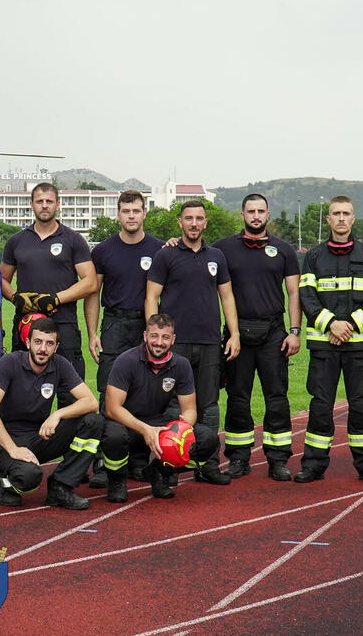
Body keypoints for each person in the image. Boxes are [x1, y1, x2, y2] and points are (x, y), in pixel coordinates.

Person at [146, 200, 238, 485]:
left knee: (209, 405)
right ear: (180, 223)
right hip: (176, 344)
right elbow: (151, 297)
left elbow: (227, 296)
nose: (194, 223)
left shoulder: (217, 256)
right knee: (173, 405)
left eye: (199, 218)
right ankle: (169, 465)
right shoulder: (166, 255)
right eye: (189, 218)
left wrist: (234, 334)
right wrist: (154, 336)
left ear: (205, 223)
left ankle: (207, 465)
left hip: (210, 342)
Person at [295, 196, 363, 485]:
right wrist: (331, 324)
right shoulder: (313, 257)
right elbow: (306, 297)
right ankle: (313, 465)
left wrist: (349, 326)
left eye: (346, 213)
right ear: (328, 220)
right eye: (336, 213)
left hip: (358, 346)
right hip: (324, 345)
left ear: (354, 218)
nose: (341, 218)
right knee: (321, 406)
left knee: (361, 406)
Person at [212, 193, 301, 482]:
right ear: (242, 215)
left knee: (277, 398)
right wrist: (173, 243)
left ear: (268, 214)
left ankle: (278, 459)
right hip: (237, 334)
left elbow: (294, 293)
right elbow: (195, 253)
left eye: (261, 211)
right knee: (238, 398)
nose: (256, 216)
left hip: (273, 333)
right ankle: (238, 457)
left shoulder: (284, 249)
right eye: (250, 211)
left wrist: (295, 331)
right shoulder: (223, 248)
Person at [0, 316, 104, 510]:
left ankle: (61, 486)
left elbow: (91, 402)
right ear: (28, 342)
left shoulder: (60, 364)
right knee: (29, 477)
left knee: (92, 422)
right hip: (5, 440)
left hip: (38, 436)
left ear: (56, 346)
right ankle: (7, 481)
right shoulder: (10, 362)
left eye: (49, 343)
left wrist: (57, 414)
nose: (43, 349)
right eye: (38, 342)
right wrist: (13, 449)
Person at [100, 314, 225, 501]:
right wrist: (145, 430)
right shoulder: (126, 360)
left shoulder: (181, 364)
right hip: (124, 421)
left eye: (165, 337)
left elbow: (190, 410)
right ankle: (117, 480)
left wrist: (181, 430)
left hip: (156, 421)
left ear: (173, 339)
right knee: (114, 436)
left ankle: (160, 473)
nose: (159, 342)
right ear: (144, 336)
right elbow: (112, 409)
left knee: (207, 439)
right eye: (154, 336)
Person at [85, 189, 164, 483]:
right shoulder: (103, 251)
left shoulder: (159, 249)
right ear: (118, 214)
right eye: (126, 211)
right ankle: (105, 463)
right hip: (114, 325)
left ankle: (138, 459)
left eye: (136, 210)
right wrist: (93, 333)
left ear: (144, 213)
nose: (131, 216)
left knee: (145, 393)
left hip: (147, 328)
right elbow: (93, 294)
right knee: (109, 392)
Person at [0, 182, 97, 393]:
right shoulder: (16, 241)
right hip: (26, 325)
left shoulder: (73, 239)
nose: (44, 206)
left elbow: (90, 282)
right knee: (22, 391)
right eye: (39, 201)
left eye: (49, 201)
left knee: (71, 392)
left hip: (64, 324)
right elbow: (1, 280)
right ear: (32, 204)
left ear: (58, 204)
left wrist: (55, 299)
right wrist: (15, 297)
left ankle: (66, 427)